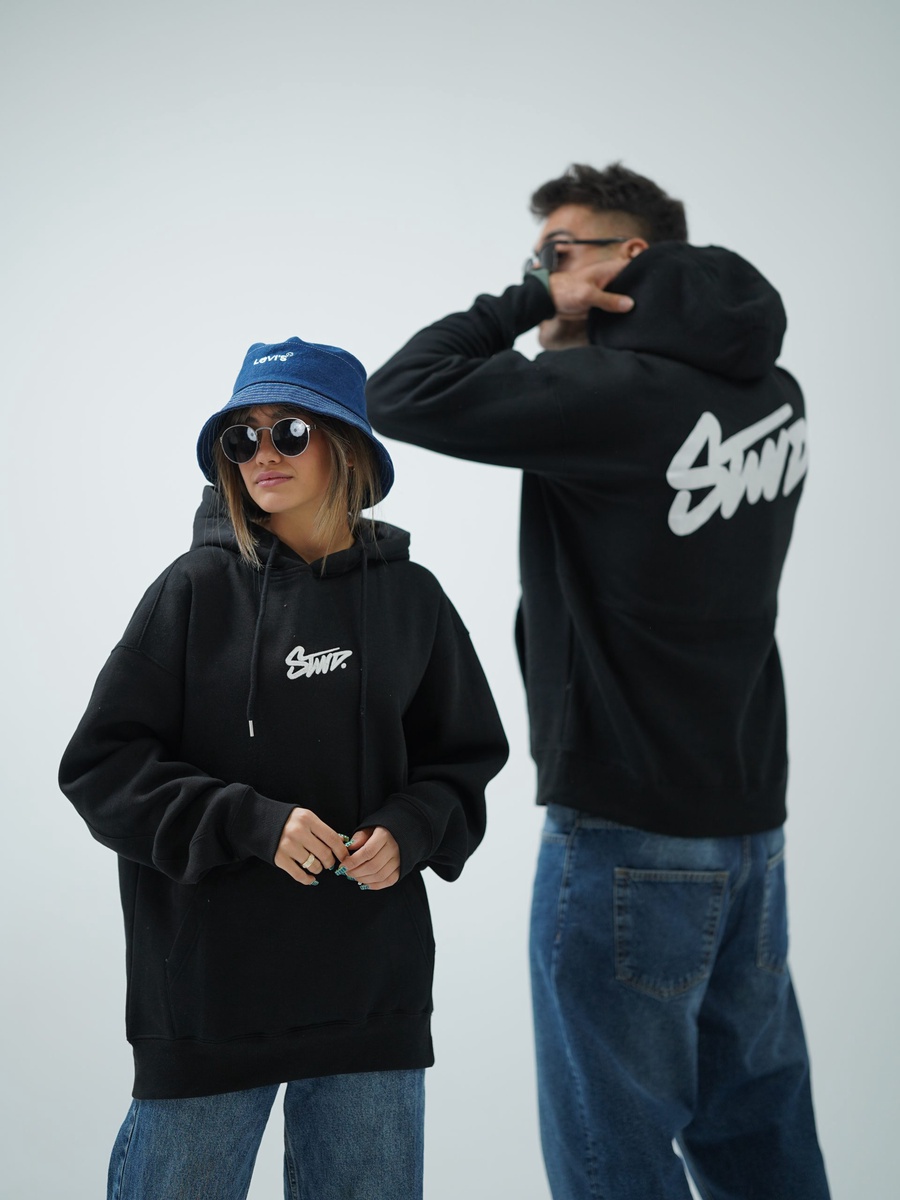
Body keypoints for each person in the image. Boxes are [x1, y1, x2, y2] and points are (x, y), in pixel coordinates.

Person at [366, 163, 830, 1199]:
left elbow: (398, 391)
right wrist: (566, 301)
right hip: (749, 838)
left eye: (562, 254)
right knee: (759, 1136)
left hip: (625, 835)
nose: (544, 274)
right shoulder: (777, 397)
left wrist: (530, 304)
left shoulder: (610, 399)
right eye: (538, 260)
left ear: (633, 260)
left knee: (611, 1158)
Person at [59, 336, 508, 1200]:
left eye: (290, 431)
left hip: (371, 989)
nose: (263, 453)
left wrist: (411, 829)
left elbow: (465, 756)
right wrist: (252, 824)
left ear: (346, 447)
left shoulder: (412, 598)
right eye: (242, 437)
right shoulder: (191, 592)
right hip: (209, 996)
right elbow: (102, 768)